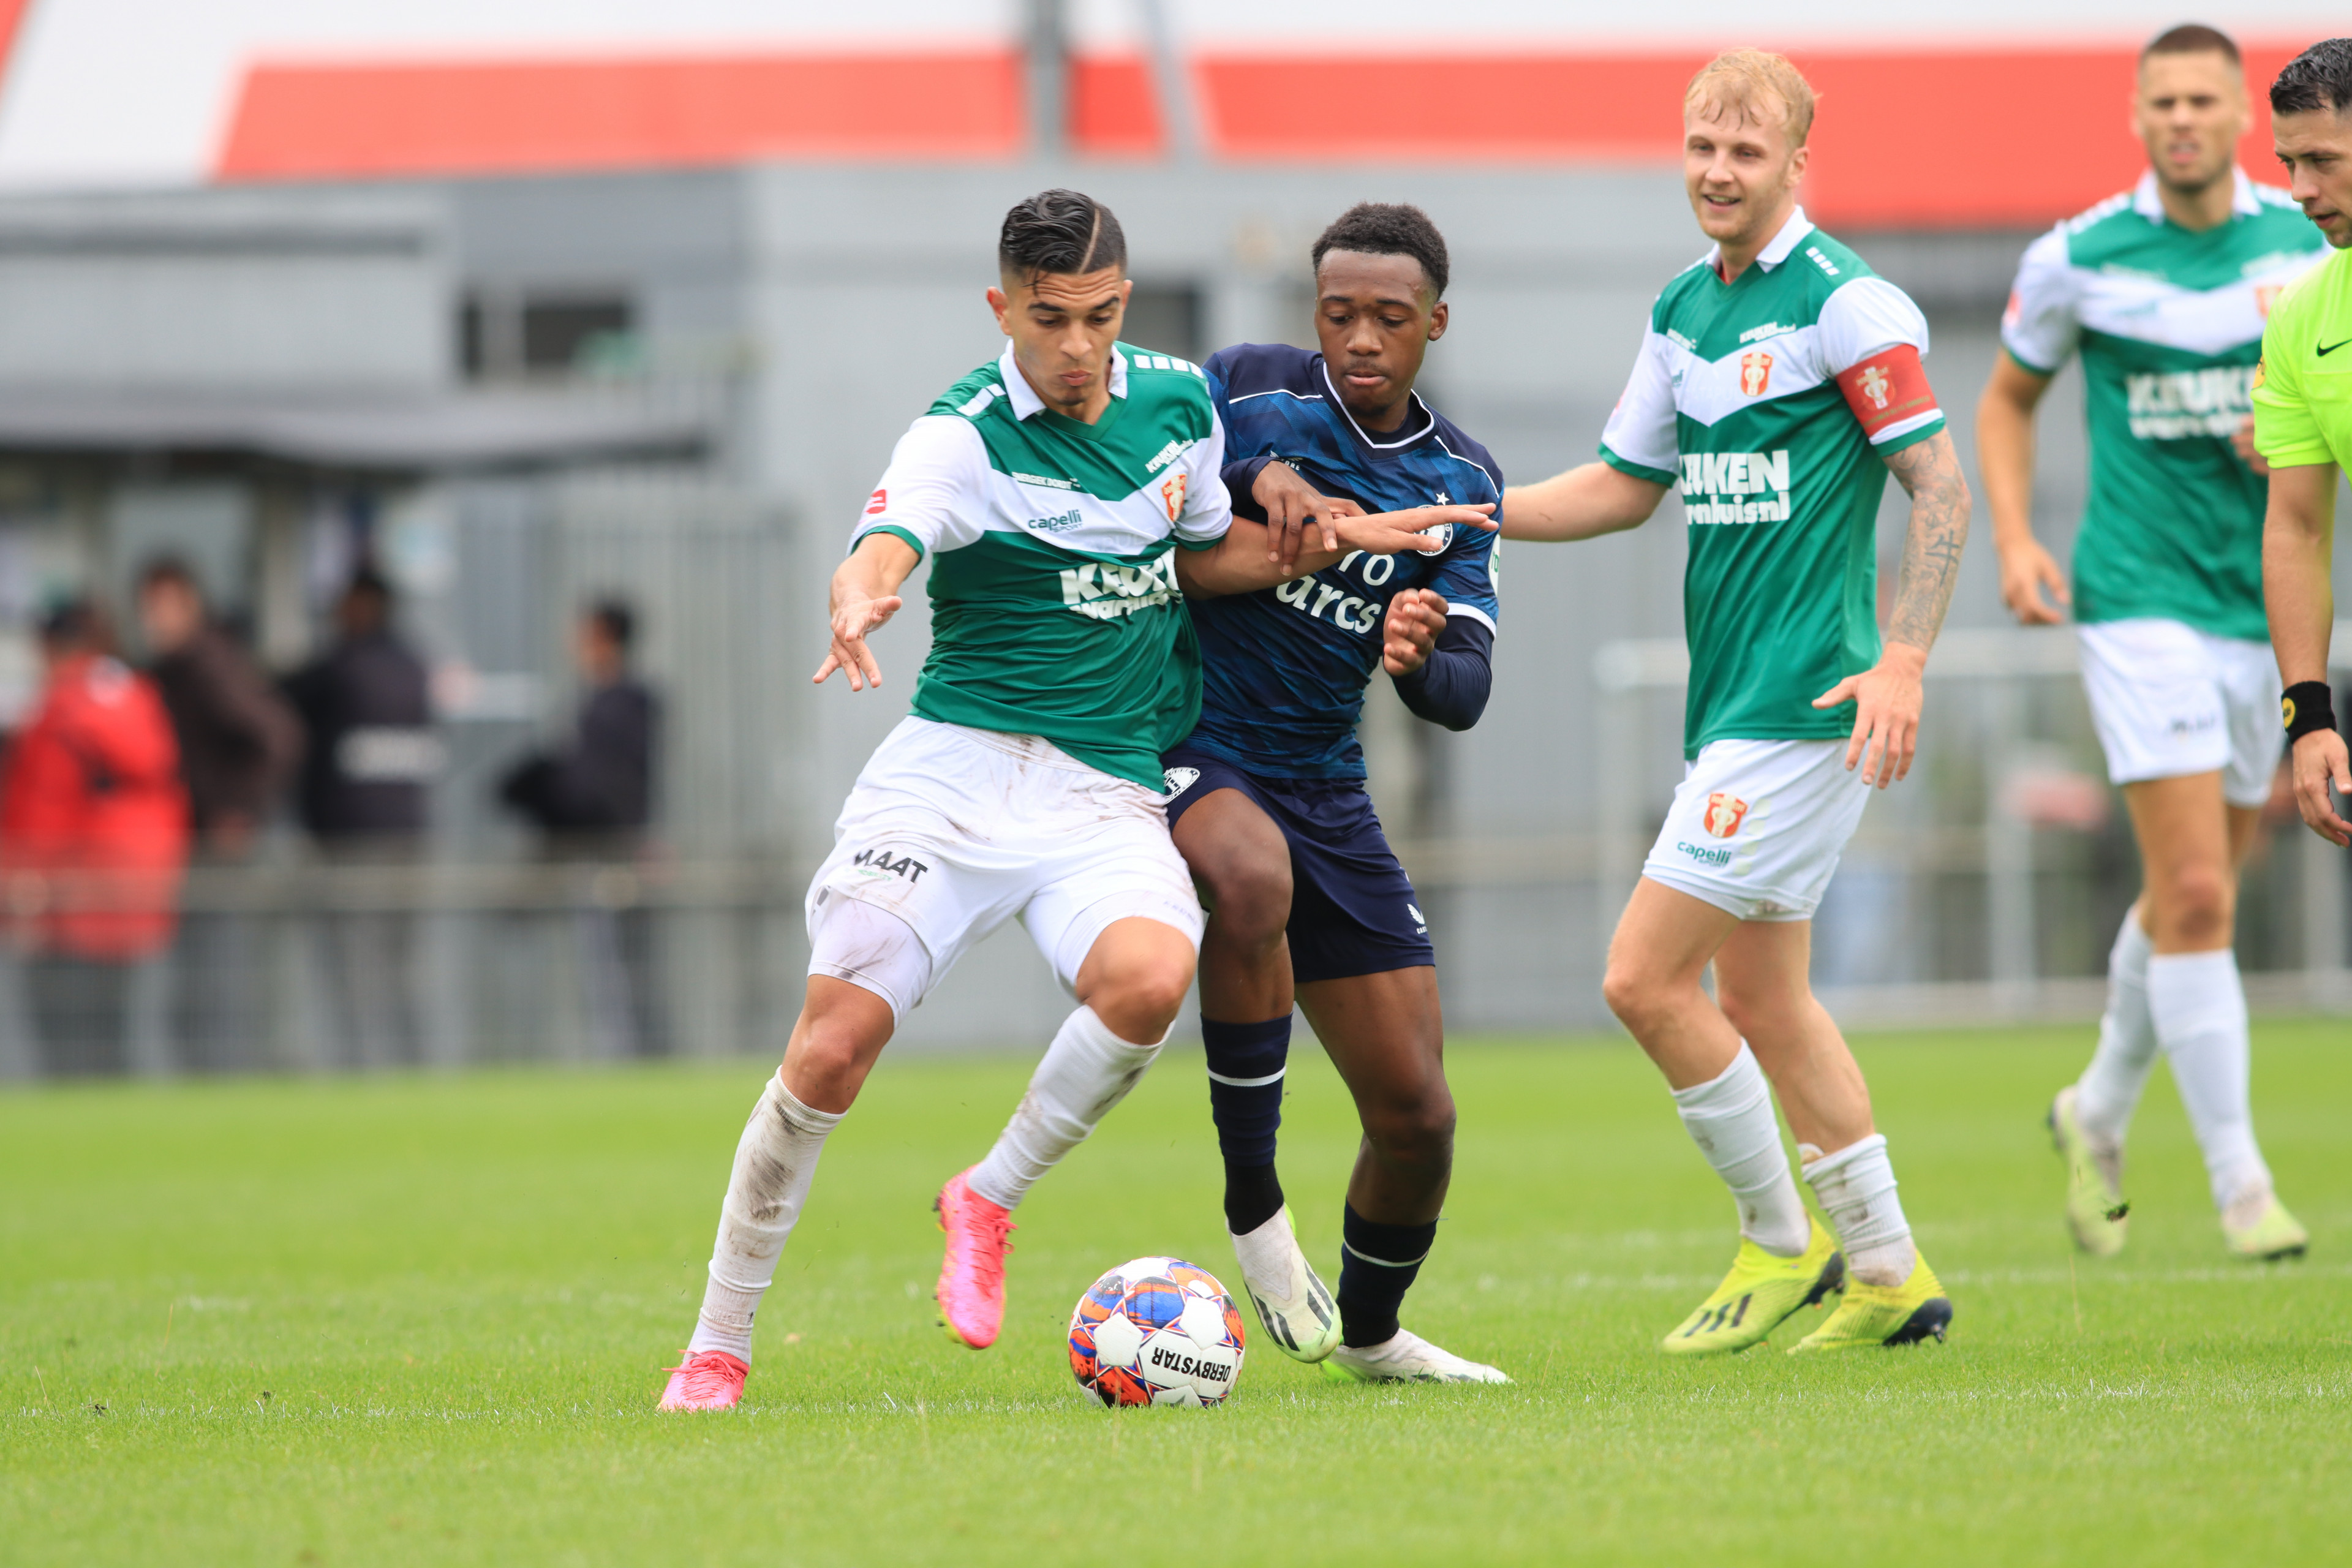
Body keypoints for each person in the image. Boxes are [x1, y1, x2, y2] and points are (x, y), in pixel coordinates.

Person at [656, 188, 1489, 1411]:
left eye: (1100, 317)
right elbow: (888, 536)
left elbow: (1206, 550)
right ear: (1003, 309)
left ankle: (987, 1194)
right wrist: (859, 587)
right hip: (955, 775)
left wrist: (1347, 534)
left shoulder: (1174, 403)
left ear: (1126, 305)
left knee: (1153, 977)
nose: (1078, 348)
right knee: (832, 1047)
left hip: (1105, 787)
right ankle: (717, 1344)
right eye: (1050, 320)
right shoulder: (965, 433)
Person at [1501, 50, 1973, 1354]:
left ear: (1797, 161)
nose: (1718, 172)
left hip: (1806, 704)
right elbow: (1618, 483)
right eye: (1703, 147)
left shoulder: (1849, 305)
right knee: (1764, 997)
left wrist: (1906, 658)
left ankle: (1782, 1239)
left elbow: (1941, 489)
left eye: (1746, 153)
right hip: (1737, 706)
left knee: (1642, 977)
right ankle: (1886, 1268)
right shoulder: (1680, 310)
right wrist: (1469, 512)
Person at [1978, 24, 2321, 1265]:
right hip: (2137, 600)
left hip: (2267, 604)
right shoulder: (2077, 255)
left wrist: (2292, 433)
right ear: (2138, 114)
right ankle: (2242, 1184)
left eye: (2204, 100)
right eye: (2163, 100)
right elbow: (2008, 396)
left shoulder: (2305, 243)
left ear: (2242, 117)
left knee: (2205, 893)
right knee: (2190, 892)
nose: (2184, 118)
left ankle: (2095, 1111)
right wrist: (2016, 538)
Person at [1165, 202, 1507, 1384]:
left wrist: (1421, 652)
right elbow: (1168, 482)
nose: (1362, 338)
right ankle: (1255, 1207)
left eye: (1391, 319)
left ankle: (1370, 1337)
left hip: (1328, 783)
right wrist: (1266, 474)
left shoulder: (1461, 478)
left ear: (1436, 325)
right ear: (1315, 313)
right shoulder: (1247, 388)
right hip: (1190, 743)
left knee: (1420, 1118)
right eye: (1341, 313)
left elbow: (1465, 688)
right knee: (1247, 878)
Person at [0, 601, 188, 1076]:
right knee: (137, 1030)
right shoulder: (139, 697)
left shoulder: (63, 709)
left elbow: (44, 808)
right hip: (146, 888)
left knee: (73, 1036)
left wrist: (21, 880)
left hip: (77, 893)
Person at [136, 556, 303, 1072]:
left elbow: (277, 737)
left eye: (162, 607)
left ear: (190, 605)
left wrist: (240, 810)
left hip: (218, 848)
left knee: (220, 977)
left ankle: (226, 1073)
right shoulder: (171, 668)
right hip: (188, 841)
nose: (152, 620)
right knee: (199, 978)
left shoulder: (207, 663)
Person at [282, 569, 438, 1068]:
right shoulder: (415, 667)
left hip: (347, 844)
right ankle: (411, 1066)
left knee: (353, 969)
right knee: (402, 968)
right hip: (408, 839)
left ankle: (361, 1069)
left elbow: (276, 696)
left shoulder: (339, 668)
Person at [499, 597, 663, 1057]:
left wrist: (638, 835)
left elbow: (625, 780)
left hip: (612, 850)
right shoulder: (597, 700)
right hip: (596, 849)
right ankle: (620, 1053)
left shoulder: (624, 702)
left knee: (620, 967)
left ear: (604, 636)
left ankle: (631, 1056)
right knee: (606, 965)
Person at [2260, 47, 2352, 852]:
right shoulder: (2297, 318)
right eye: (2289, 164)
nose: (2300, 192)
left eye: (2322, 161)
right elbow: (2297, 529)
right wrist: (2309, 717)